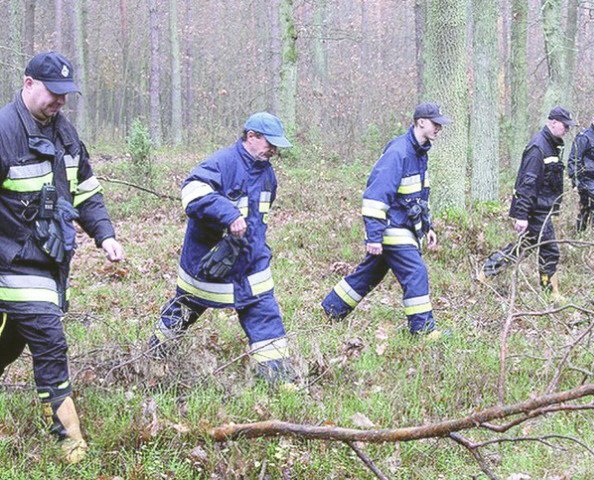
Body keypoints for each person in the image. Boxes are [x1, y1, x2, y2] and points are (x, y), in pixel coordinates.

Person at [0, 52, 125, 463]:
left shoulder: (65, 134)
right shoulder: (4, 132)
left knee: (12, 340)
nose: (60, 102)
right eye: (54, 93)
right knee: (50, 340)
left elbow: (86, 191)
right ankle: (69, 438)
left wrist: (104, 235)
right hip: (12, 262)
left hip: (49, 264)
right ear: (28, 83)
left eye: (65, 95)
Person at [148, 112, 294, 384]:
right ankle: (151, 357)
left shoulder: (268, 175)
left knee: (264, 312)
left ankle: (279, 380)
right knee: (185, 309)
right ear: (251, 137)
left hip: (250, 262)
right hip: (208, 262)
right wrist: (228, 215)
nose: (273, 150)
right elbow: (192, 192)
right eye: (269, 143)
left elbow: (258, 218)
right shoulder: (222, 162)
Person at [321, 102, 449, 337]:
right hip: (393, 228)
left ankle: (331, 309)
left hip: (403, 226)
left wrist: (427, 226)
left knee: (370, 273)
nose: (439, 128)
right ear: (421, 122)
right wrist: (374, 236)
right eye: (435, 123)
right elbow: (375, 196)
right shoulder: (399, 152)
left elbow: (418, 196)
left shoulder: (420, 152)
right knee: (416, 273)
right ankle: (423, 330)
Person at [480, 106, 575, 295]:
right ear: (553, 122)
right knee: (550, 251)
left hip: (542, 209)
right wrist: (521, 215)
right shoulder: (538, 147)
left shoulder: (552, 145)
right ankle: (551, 294)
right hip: (535, 210)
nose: (567, 130)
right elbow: (527, 184)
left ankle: (486, 273)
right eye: (565, 126)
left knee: (523, 247)